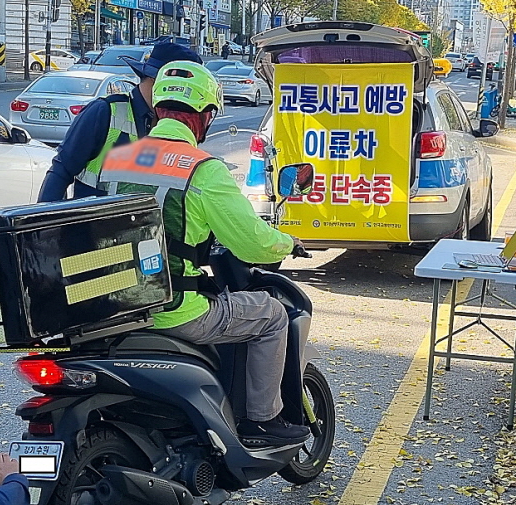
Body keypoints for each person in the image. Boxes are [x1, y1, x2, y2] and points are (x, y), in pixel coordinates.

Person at [98, 61, 311, 448]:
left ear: (159, 108)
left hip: (117, 304)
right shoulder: (203, 170)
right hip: (175, 309)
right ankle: (262, 421)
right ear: (206, 116)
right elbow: (251, 242)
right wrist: (286, 242)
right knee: (273, 315)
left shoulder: (121, 157)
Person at [37, 42, 203, 202]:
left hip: (147, 228)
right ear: (162, 82)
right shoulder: (104, 112)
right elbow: (61, 171)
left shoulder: (178, 123)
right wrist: (44, 224)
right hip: (94, 227)